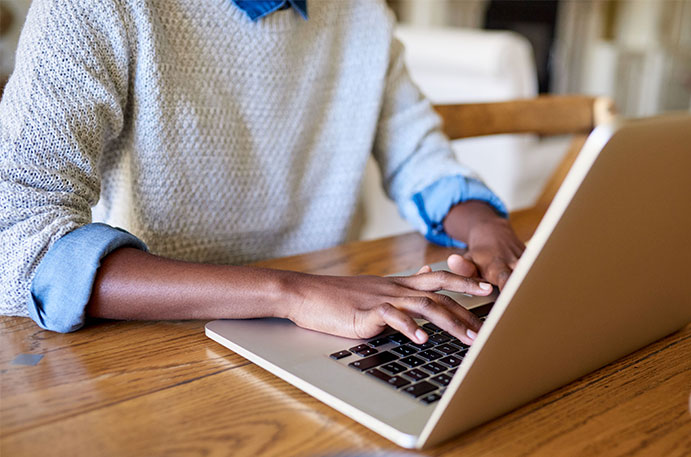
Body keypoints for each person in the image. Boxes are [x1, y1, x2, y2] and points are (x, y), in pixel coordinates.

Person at [0, 0, 525, 345]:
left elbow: (419, 156)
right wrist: (288, 293)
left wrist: (488, 229)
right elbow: (17, 237)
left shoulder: (362, 13)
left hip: (330, 321)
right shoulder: (94, 8)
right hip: (158, 334)